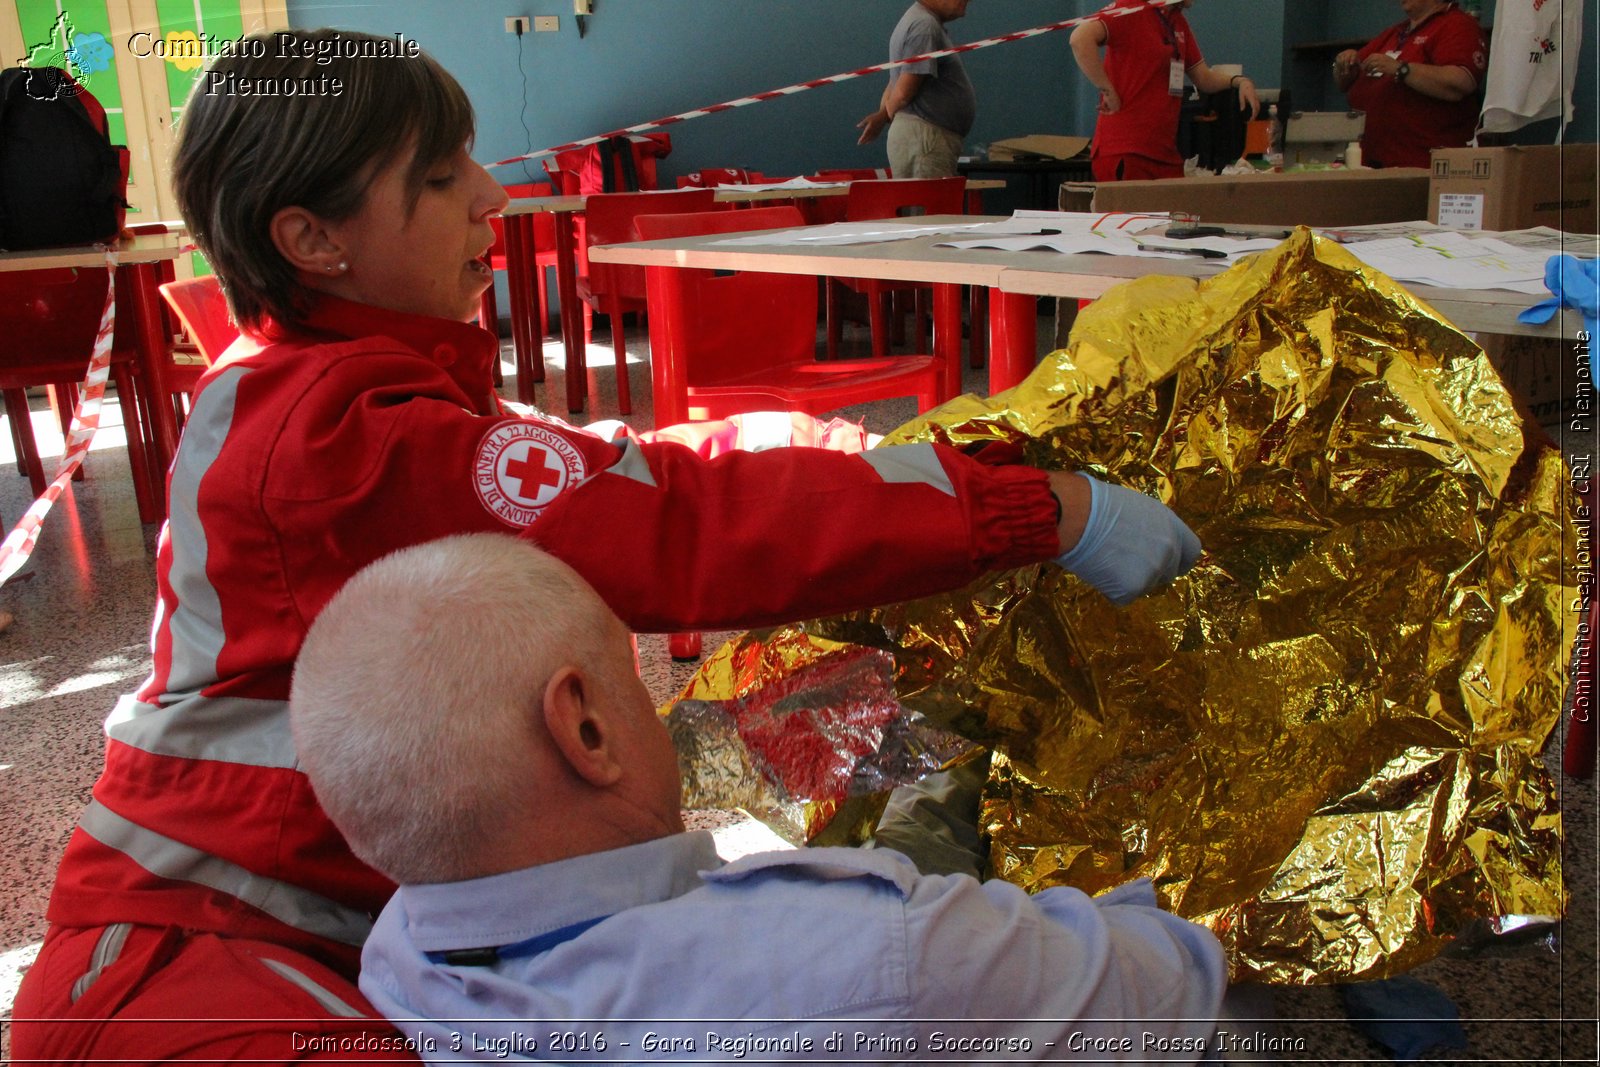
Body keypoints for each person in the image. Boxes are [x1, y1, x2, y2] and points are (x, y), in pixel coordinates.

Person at [11, 27, 1203, 1064]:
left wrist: (814, 442)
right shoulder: (349, 435)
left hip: (290, 927)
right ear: (314, 239)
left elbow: (596, 458)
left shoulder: (315, 386)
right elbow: (671, 524)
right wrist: (1031, 511)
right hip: (194, 967)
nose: (490, 193)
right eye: (438, 177)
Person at [290, 533, 1229, 1063]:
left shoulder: (401, 952)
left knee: (929, 819)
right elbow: (1173, 981)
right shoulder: (880, 956)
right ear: (585, 729)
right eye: (633, 678)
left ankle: (940, 783)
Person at [1070, 0, 1260, 182]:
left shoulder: (1177, 22)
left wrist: (1239, 81)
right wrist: (1107, 90)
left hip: (1165, 153)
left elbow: (1203, 78)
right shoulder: (1128, 8)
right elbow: (1080, 39)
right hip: (1127, 150)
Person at [1333, 0, 1487, 169]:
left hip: (1424, 167)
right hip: (1373, 164)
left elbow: (1459, 83)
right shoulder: (1396, 32)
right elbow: (1343, 83)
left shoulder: (1458, 24)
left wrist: (1402, 69)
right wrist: (1345, 65)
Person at [856, 0, 976, 178]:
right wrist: (883, 115)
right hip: (926, 141)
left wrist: (882, 114)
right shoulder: (924, 26)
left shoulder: (920, 22)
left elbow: (894, 83)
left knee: (923, 205)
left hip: (923, 139)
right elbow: (904, 91)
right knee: (928, 206)